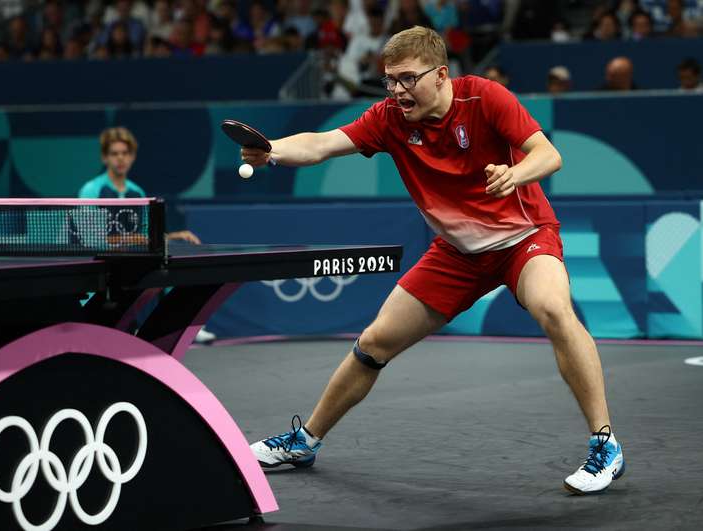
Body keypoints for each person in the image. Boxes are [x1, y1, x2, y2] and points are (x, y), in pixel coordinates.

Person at [243, 26, 624, 495]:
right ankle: (305, 440)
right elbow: (323, 144)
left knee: (552, 308)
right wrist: (273, 151)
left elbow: (548, 155)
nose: (397, 91)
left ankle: (605, 444)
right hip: (457, 254)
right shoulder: (389, 118)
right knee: (375, 341)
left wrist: (513, 175)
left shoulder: (484, 98)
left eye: (407, 79)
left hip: (523, 236)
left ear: (441, 75)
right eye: (389, 81)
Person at [79, 126, 217, 344]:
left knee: (170, 264)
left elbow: (145, 236)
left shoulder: (137, 192)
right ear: (105, 157)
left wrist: (173, 236)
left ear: (132, 157)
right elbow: (90, 238)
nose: (120, 159)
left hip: (132, 259)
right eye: (114, 154)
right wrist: (131, 241)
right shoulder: (91, 190)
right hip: (101, 263)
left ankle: (184, 326)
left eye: (125, 153)